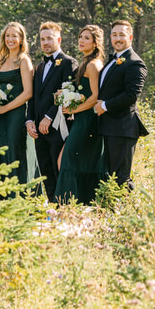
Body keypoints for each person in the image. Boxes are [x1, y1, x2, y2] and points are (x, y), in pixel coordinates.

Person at [56, 24, 106, 204]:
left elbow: (96, 96)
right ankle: (77, 203)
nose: (81, 41)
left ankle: (68, 205)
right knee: (70, 160)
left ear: (95, 43)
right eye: (80, 37)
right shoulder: (86, 62)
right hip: (81, 119)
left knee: (67, 159)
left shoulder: (93, 65)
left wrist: (74, 109)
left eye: (87, 38)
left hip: (89, 120)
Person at [25, 21, 75, 203]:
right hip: (38, 128)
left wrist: (49, 117)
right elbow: (33, 97)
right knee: (45, 169)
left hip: (58, 126)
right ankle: (53, 205)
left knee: (58, 167)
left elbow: (67, 94)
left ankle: (65, 206)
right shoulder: (38, 67)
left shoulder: (69, 63)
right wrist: (29, 120)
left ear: (59, 40)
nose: (45, 43)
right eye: (42, 39)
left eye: (49, 39)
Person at [95, 19, 148, 188]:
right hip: (109, 127)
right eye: (115, 35)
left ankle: (128, 211)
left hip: (123, 127)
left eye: (122, 35)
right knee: (111, 175)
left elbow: (131, 95)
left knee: (121, 178)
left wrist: (104, 106)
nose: (118, 38)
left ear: (130, 37)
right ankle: (112, 211)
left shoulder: (135, 63)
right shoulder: (112, 61)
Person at [0, 21, 35, 184]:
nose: (10, 39)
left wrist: (6, 108)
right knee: (2, 149)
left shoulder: (24, 60)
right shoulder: (0, 61)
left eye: (14, 36)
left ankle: (19, 194)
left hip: (16, 113)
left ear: (21, 39)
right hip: (0, 115)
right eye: (7, 36)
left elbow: (28, 92)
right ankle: (4, 196)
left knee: (15, 150)